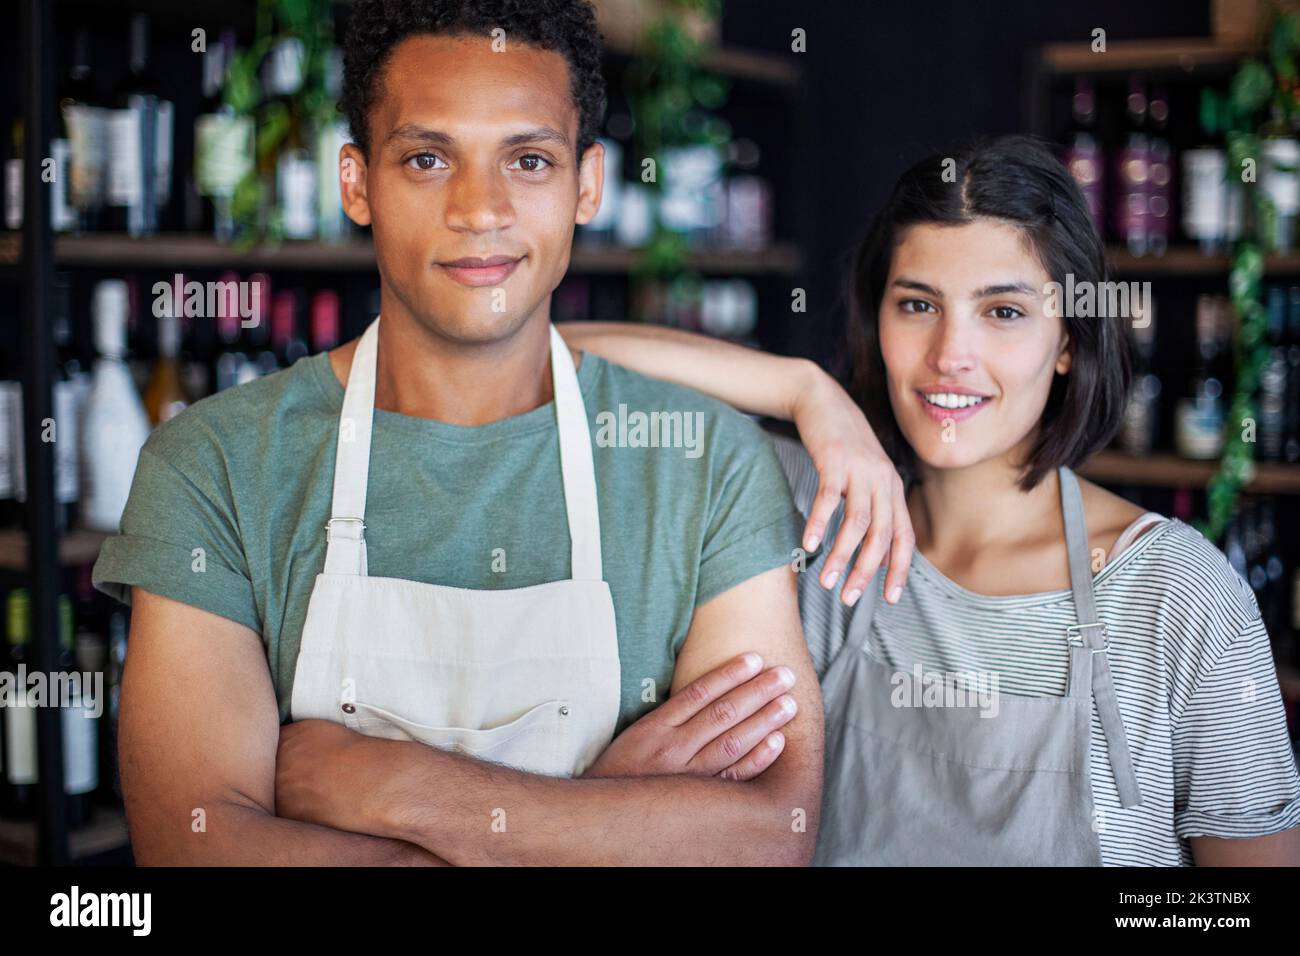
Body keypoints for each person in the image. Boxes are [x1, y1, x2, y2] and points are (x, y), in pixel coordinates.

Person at [92, 0, 824, 866]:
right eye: (428, 158)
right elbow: (195, 846)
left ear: (588, 184)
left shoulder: (709, 462)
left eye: (528, 159)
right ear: (357, 184)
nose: (481, 209)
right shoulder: (211, 465)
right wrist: (602, 816)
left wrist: (387, 786)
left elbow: (771, 834)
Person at [560, 135, 1300, 866]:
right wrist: (804, 388)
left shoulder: (1175, 593)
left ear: (1069, 341)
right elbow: (541, 360)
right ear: (876, 318)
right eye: (918, 304)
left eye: (1003, 312)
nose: (951, 354)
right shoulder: (810, 509)